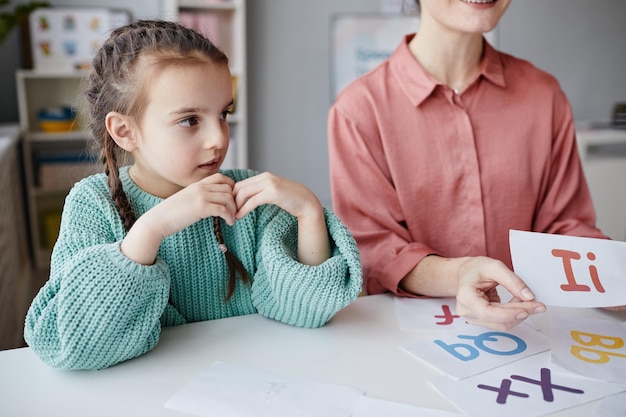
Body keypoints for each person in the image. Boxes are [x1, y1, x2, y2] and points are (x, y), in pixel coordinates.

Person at [24, 20, 362, 370]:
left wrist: (309, 213)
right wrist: (152, 229)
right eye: (189, 120)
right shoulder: (94, 204)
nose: (218, 138)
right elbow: (70, 345)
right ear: (125, 131)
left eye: (223, 113)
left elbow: (306, 312)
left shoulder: (249, 198)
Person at [328, 0, 623, 331]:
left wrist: (615, 271)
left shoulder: (544, 94)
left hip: (535, 333)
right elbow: (377, 253)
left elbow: (566, 227)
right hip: (411, 343)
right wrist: (458, 275)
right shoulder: (358, 111)